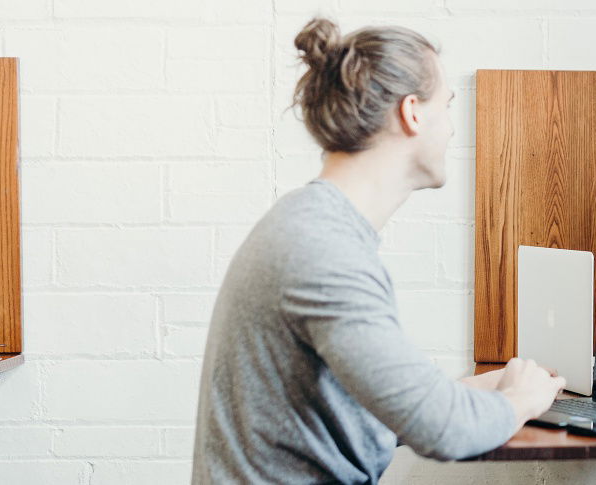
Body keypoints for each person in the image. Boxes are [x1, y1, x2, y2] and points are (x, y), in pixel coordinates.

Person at [192, 18, 564, 484]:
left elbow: (371, 408)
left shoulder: (313, 226)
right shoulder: (323, 251)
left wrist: (477, 390)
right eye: (447, 106)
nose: (452, 130)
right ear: (412, 113)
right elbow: (442, 430)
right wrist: (520, 401)